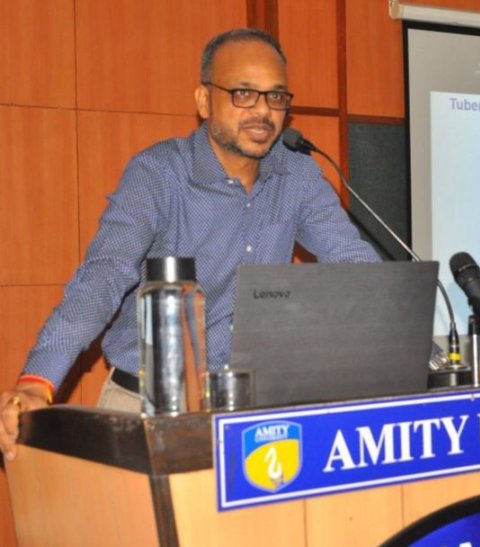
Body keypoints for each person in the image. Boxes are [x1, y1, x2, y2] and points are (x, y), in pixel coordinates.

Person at [0, 28, 379, 460]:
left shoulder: (299, 176)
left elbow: (354, 265)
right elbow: (103, 278)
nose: (263, 111)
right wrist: (38, 381)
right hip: (148, 410)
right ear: (203, 101)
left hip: (252, 416)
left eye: (276, 97)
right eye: (243, 93)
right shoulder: (158, 175)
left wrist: (424, 357)